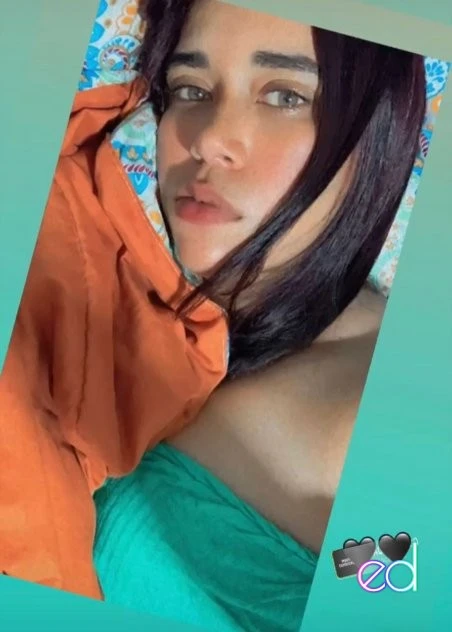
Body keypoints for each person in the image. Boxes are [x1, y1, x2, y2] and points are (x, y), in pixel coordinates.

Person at [0, 0, 424, 609]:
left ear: (378, 136)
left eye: (285, 96)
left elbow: (396, 588)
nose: (209, 139)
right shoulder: (98, 249)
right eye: (190, 89)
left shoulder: (392, 419)